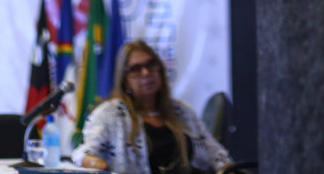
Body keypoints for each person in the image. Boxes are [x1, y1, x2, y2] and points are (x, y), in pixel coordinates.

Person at [72, 39, 233, 174]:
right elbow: (81, 155)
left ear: (160, 70)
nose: (146, 73)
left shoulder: (181, 111)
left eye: (151, 65)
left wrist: (228, 169)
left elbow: (216, 154)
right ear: (124, 79)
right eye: (135, 69)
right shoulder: (110, 114)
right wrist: (99, 165)